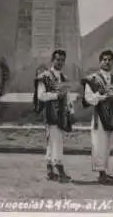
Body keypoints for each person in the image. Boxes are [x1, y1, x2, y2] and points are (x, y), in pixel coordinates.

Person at [81, 49, 113, 184]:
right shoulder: (93, 79)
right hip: (99, 115)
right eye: (105, 60)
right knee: (99, 144)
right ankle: (101, 174)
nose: (107, 62)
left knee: (107, 145)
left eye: (110, 60)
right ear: (100, 62)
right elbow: (88, 97)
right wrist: (103, 97)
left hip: (112, 115)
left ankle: (105, 171)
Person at [34, 49, 75, 183]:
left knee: (53, 142)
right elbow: (41, 95)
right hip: (51, 113)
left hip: (62, 114)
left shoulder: (64, 78)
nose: (60, 62)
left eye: (62, 60)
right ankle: (59, 168)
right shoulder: (44, 76)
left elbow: (67, 98)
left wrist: (71, 111)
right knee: (56, 141)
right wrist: (56, 95)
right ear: (52, 60)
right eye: (57, 59)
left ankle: (50, 170)